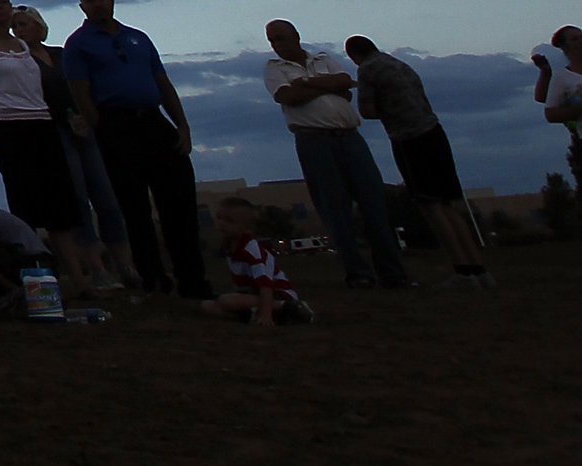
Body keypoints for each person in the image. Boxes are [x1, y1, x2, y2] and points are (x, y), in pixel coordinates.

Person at [58, 0, 214, 300]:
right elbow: (79, 89)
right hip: (115, 125)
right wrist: (98, 126)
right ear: (82, 7)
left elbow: (162, 82)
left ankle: (192, 277)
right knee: (134, 207)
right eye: (91, 1)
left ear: (112, 2)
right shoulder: (78, 44)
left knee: (179, 202)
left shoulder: (138, 38)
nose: (98, 5)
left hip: (153, 120)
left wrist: (181, 125)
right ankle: (152, 275)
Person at [0, 0, 101, 298]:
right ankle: (39, 281)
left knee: (60, 206)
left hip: (42, 125)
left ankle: (79, 279)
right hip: (9, 129)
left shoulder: (22, 47)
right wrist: (2, 103)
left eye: (3, 2)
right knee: (27, 205)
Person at [263, 18, 408, 287]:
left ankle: (393, 273)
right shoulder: (274, 69)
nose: (276, 45)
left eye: (280, 38)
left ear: (295, 36)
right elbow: (288, 96)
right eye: (271, 40)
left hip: (349, 136)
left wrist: (306, 84)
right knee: (334, 208)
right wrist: (326, 85)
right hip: (313, 140)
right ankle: (358, 273)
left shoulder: (322, 58)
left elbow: (345, 82)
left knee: (373, 202)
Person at [345, 35, 486, 285]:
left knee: (431, 204)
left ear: (353, 56)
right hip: (433, 132)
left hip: (409, 138)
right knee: (449, 203)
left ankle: (462, 269)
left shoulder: (368, 70)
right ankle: (478, 268)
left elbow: (367, 111)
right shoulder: (401, 65)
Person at [14, 3, 135, 290]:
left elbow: (82, 84)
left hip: (81, 127)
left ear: (38, 25)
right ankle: (96, 268)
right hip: (54, 130)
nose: (19, 30)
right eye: (15, 26)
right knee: (77, 198)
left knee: (105, 196)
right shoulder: (20, 60)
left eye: (23, 24)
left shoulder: (61, 54)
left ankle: (124, 264)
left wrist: (86, 113)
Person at [198, 199, 311, 326]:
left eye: (229, 221)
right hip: (253, 295)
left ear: (247, 228)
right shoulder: (229, 247)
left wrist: (266, 315)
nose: (221, 224)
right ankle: (263, 316)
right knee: (207, 306)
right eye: (219, 218)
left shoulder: (252, 249)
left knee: (227, 301)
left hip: (277, 294)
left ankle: (289, 307)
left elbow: (266, 285)